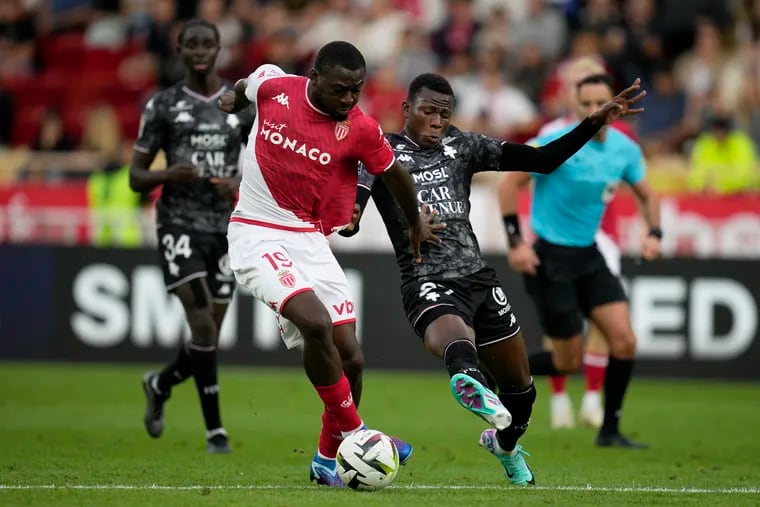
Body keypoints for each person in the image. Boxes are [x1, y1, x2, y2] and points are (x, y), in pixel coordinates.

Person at [343, 72, 645, 484]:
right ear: (407, 110)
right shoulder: (381, 151)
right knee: (453, 338)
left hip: (479, 279)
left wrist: (594, 122)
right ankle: (470, 382)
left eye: (444, 114)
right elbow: (353, 208)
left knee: (521, 393)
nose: (436, 120)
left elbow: (542, 161)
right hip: (425, 278)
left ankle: (503, 444)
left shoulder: (464, 146)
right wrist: (359, 217)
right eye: (428, 111)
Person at [217, 41, 436, 487]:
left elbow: (393, 174)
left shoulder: (359, 127)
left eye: (356, 90)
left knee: (351, 356)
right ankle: (358, 434)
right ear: (314, 77)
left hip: (310, 240)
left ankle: (324, 460)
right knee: (315, 324)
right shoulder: (274, 86)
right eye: (340, 90)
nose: (349, 99)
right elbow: (245, 85)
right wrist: (230, 96)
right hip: (255, 231)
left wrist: (413, 222)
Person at [498, 73, 661, 449]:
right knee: (567, 360)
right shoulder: (559, 143)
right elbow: (509, 184)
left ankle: (610, 430)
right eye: (585, 104)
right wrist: (516, 243)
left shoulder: (624, 150)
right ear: (575, 107)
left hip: (588, 254)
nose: (594, 110)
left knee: (624, 341)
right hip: (550, 257)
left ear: (617, 104)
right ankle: (492, 366)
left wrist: (655, 233)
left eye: (600, 102)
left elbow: (648, 196)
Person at [129, 19, 254, 454]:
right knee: (201, 321)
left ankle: (160, 383)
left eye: (208, 43)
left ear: (220, 48)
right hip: (179, 222)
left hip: (226, 227)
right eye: (191, 44)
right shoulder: (162, 105)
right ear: (179, 50)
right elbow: (135, 177)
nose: (200, 50)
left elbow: (257, 164)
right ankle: (215, 431)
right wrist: (169, 173)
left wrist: (235, 183)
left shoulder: (240, 104)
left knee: (207, 338)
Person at [534, 57, 638, 430]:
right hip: (558, 240)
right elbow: (530, 183)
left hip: (601, 238)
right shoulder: (552, 132)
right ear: (570, 92)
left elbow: (629, 176)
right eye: (579, 83)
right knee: (561, 329)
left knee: (605, 323)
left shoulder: (618, 136)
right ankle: (559, 396)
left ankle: (594, 397)